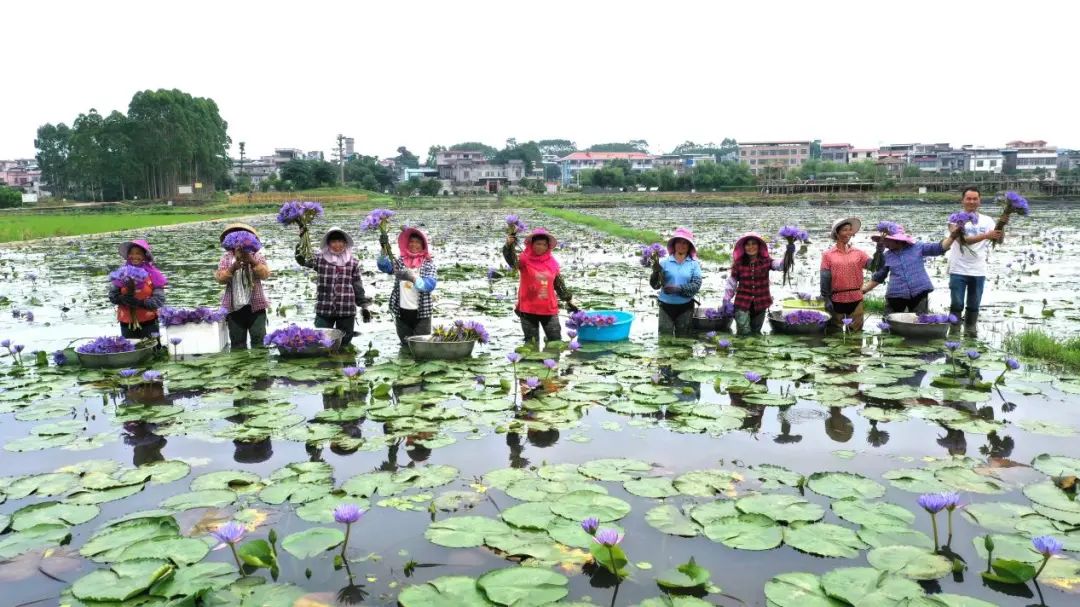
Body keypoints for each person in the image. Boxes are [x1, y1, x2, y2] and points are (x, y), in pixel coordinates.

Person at [296, 226, 371, 349]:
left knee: (345, 343)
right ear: (328, 243)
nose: (337, 245)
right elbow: (301, 259)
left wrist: (364, 306)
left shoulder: (353, 262)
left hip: (346, 309)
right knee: (321, 341)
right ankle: (326, 366)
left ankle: (345, 364)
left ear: (345, 243)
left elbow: (357, 285)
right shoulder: (319, 259)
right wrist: (302, 240)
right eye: (334, 241)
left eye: (340, 241)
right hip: (324, 310)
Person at [503, 227, 578, 345]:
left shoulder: (552, 263)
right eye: (538, 244)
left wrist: (568, 300)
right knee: (531, 344)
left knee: (555, 342)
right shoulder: (524, 260)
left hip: (548, 308)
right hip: (528, 309)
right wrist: (509, 246)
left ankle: (552, 362)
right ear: (532, 244)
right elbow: (512, 262)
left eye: (544, 244)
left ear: (548, 247)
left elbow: (558, 284)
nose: (541, 247)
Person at [861, 226, 956, 314]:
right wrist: (864, 290)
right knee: (890, 323)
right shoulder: (887, 256)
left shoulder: (917, 247)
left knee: (919, 323)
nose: (885, 244)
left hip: (919, 291)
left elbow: (937, 249)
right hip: (896, 295)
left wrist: (952, 236)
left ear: (897, 240)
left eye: (887, 241)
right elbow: (879, 277)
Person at [947, 187, 1003, 334]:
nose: (971, 202)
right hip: (958, 268)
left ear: (979, 201)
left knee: (974, 305)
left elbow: (999, 240)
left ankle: (971, 332)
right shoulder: (954, 220)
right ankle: (953, 333)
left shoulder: (988, 221)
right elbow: (962, 241)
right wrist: (986, 235)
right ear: (962, 200)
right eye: (968, 198)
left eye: (975, 199)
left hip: (978, 270)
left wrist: (1002, 227)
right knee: (957, 303)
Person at [722, 232, 792, 336]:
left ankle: (753, 352)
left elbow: (781, 266)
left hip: (761, 304)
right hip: (742, 304)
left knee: (755, 333)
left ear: (759, 246)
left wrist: (789, 254)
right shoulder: (738, 263)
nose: (751, 247)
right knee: (744, 334)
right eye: (748, 244)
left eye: (754, 243)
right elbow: (731, 283)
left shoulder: (766, 261)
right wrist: (726, 300)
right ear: (744, 247)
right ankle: (742, 350)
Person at [377, 227, 437, 346]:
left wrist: (412, 278)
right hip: (401, 313)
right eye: (411, 241)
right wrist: (383, 248)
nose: (414, 244)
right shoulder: (400, 262)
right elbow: (385, 267)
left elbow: (429, 285)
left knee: (422, 345)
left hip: (421, 314)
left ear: (423, 245)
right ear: (407, 243)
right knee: (405, 346)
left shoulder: (428, 264)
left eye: (418, 242)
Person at [215, 223, 271, 349]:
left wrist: (251, 261)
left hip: (256, 307)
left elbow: (265, 274)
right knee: (237, 345)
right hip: (234, 309)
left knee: (259, 343)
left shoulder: (257, 256)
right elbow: (220, 279)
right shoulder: (226, 258)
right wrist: (233, 268)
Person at [820, 217, 872, 332]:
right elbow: (825, 279)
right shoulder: (828, 255)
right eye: (844, 230)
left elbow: (874, 266)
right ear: (837, 233)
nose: (848, 233)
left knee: (856, 335)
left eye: (850, 230)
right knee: (834, 334)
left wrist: (879, 251)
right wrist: (826, 299)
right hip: (836, 299)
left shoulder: (859, 253)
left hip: (856, 298)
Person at [108, 239, 167, 339]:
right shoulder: (122, 273)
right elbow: (113, 296)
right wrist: (122, 299)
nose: (134, 256)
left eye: (138, 253)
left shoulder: (154, 274)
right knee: (130, 350)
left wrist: (140, 303)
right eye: (131, 253)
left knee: (153, 350)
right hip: (126, 323)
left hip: (149, 322)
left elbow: (159, 300)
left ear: (144, 256)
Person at [650, 227, 703, 337]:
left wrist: (678, 289)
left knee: (684, 339)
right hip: (665, 306)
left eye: (685, 243)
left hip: (685, 307)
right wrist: (655, 273)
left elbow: (696, 285)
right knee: (664, 339)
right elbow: (655, 286)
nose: (681, 245)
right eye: (678, 242)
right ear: (674, 244)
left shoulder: (694, 264)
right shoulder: (664, 263)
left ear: (689, 246)